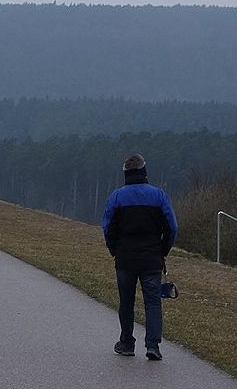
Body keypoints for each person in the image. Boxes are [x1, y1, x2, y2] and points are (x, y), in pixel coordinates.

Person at [101, 154, 177, 361]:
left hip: (125, 258)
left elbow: (107, 227)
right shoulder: (159, 195)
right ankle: (153, 345)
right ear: (144, 172)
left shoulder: (117, 196)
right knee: (152, 303)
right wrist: (163, 250)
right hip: (152, 257)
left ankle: (126, 343)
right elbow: (172, 227)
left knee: (126, 302)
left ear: (126, 173)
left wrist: (113, 248)